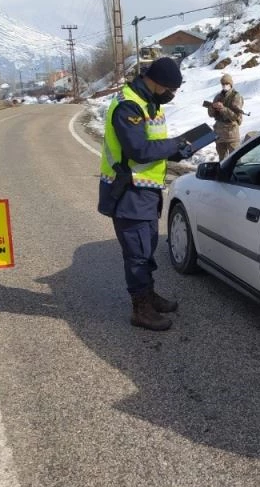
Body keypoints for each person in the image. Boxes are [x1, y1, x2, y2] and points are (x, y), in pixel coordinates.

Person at [98, 57, 193, 331]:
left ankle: (148, 295)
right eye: (170, 89)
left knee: (147, 247)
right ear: (158, 83)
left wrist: (177, 149)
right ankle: (140, 309)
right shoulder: (128, 105)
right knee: (137, 253)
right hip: (129, 192)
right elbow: (138, 150)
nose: (171, 95)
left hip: (146, 191)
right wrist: (172, 144)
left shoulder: (149, 102)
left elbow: (151, 143)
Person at [207, 73, 244, 161]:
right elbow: (211, 114)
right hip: (220, 134)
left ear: (231, 84)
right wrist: (212, 107)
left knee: (235, 160)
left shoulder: (236, 97)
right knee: (222, 161)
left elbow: (235, 116)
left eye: (227, 83)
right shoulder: (218, 96)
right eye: (223, 84)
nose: (225, 86)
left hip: (232, 134)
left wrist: (222, 108)